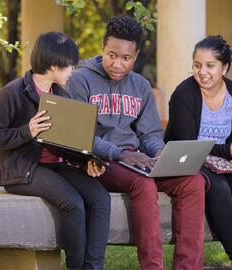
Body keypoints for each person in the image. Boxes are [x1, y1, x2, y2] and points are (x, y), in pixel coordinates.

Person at [67, 16, 206, 270]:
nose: (117, 64)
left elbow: (150, 134)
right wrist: (119, 154)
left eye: (126, 58)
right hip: (101, 160)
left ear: (136, 55)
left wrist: (160, 153)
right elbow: (80, 136)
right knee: (143, 183)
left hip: (136, 159)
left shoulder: (140, 85)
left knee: (193, 181)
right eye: (112, 55)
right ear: (102, 48)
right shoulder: (81, 80)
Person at [0, 31, 111, 270]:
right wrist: (25, 132)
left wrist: (86, 161)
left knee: (100, 198)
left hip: (55, 166)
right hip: (23, 171)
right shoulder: (13, 92)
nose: (73, 69)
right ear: (52, 64)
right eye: (70, 64)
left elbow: (66, 141)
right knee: (73, 203)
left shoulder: (61, 94)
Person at [164, 35, 232, 270]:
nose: (202, 72)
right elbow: (187, 143)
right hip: (190, 160)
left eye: (210, 65)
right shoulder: (184, 94)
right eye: (197, 65)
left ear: (225, 67)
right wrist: (226, 149)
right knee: (219, 188)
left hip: (224, 160)